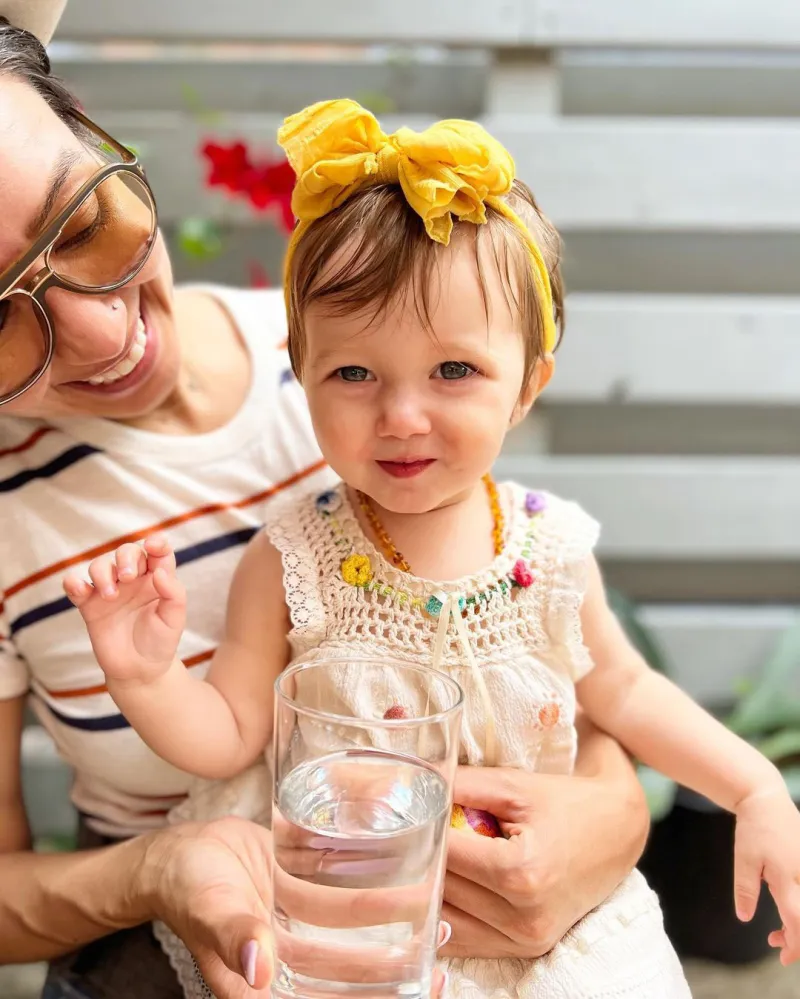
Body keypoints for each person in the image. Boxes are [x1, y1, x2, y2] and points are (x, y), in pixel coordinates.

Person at [68, 96, 795, 998]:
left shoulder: (549, 549)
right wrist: (146, 674)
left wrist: (756, 787)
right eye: (354, 373)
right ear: (303, 373)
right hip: (354, 908)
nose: (402, 416)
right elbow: (229, 735)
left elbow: (626, 688)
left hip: (540, 923)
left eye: (454, 370)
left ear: (527, 383)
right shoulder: (295, 555)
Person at [0, 7, 653, 999]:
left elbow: (547, 647)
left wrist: (611, 818)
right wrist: (156, 873)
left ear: (97, 135)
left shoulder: (372, 349)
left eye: (85, 223)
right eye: (0, 316)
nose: (98, 333)